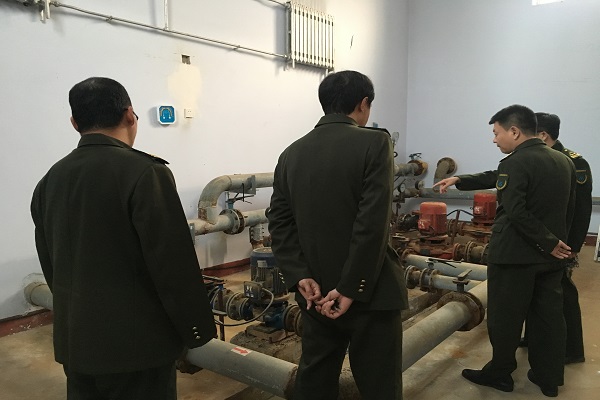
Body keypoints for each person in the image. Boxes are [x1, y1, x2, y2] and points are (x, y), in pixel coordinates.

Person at [30, 77, 216, 400]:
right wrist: (196, 331)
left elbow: (51, 264)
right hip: (138, 351)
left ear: (75, 123)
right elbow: (172, 266)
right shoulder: (146, 173)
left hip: (77, 346)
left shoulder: (49, 181)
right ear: (130, 115)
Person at [268, 70, 409, 400]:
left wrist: (299, 276)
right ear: (363, 104)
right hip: (370, 293)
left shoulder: (290, 154)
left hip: (314, 293)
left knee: (315, 378)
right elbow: (371, 223)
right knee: (379, 384)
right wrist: (350, 287)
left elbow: (279, 222)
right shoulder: (375, 142)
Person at [434, 105, 576, 398]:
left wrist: (547, 241)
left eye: (497, 133)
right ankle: (548, 378)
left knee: (505, 319)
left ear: (514, 131)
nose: (494, 139)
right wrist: (460, 179)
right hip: (550, 259)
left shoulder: (516, 162)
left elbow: (516, 211)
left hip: (514, 257)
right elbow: (568, 209)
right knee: (548, 318)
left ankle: (500, 374)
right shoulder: (563, 161)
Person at [523, 112, 592, 364]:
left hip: (561, 242)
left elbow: (581, 209)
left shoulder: (574, 162)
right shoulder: (534, 158)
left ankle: (571, 349)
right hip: (539, 240)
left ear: (543, 135)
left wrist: (573, 246)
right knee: (536, 290)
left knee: (562, 293)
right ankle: (533, 337)